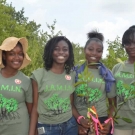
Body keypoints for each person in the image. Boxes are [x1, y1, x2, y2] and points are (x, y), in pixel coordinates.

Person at [29, 36, 78, 135]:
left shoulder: (72, 75)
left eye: (65, 49)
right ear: (50, 51)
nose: (61, 52)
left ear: (69, 53)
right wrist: (31, 132)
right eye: (56, 49)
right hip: (47, 128)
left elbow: (71, 105)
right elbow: (35, 107)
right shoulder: (38, 75)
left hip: (70, 126)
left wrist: (80, 120)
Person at [73, 30, 116, 135]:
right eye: (90, 49)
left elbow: (113, 104)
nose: (94, 53)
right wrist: (79, 120)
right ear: (84, 50)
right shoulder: (74, 71)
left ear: (102, 53)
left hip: (100, 122)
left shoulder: (107, 74)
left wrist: (109, 123)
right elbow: (68, 103)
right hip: (79, 121)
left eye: (98, 51)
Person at [0, 37, 32, 135]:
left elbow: (31, 110)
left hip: (21, 130)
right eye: (12, 54)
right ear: (4, 56)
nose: (17, 58)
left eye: (20, 54)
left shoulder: (26, 81)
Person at [112, 26, 135, 135]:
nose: (131, 47)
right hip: (120, 122)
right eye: (128, 43)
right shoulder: (117, 67)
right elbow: (111, 96)